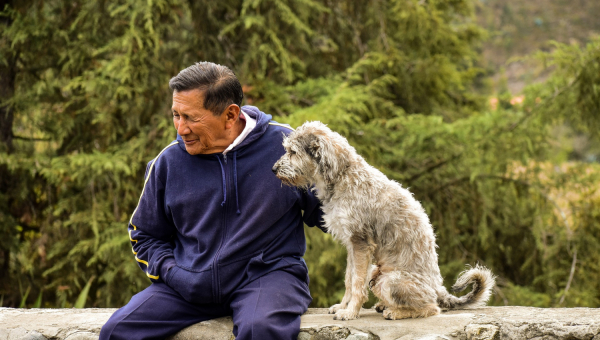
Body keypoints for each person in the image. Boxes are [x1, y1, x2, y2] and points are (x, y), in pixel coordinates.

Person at [99, 62, 325, 340]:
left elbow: (333, 207)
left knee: (260, 330)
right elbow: (144, 236)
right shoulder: (168, 162)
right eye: (176, 115)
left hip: (268, 278)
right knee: (116, 332)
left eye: (191, 118)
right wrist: (175, 273)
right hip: (189, 284)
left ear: (230, 115)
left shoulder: (285, 145)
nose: (180, 128)